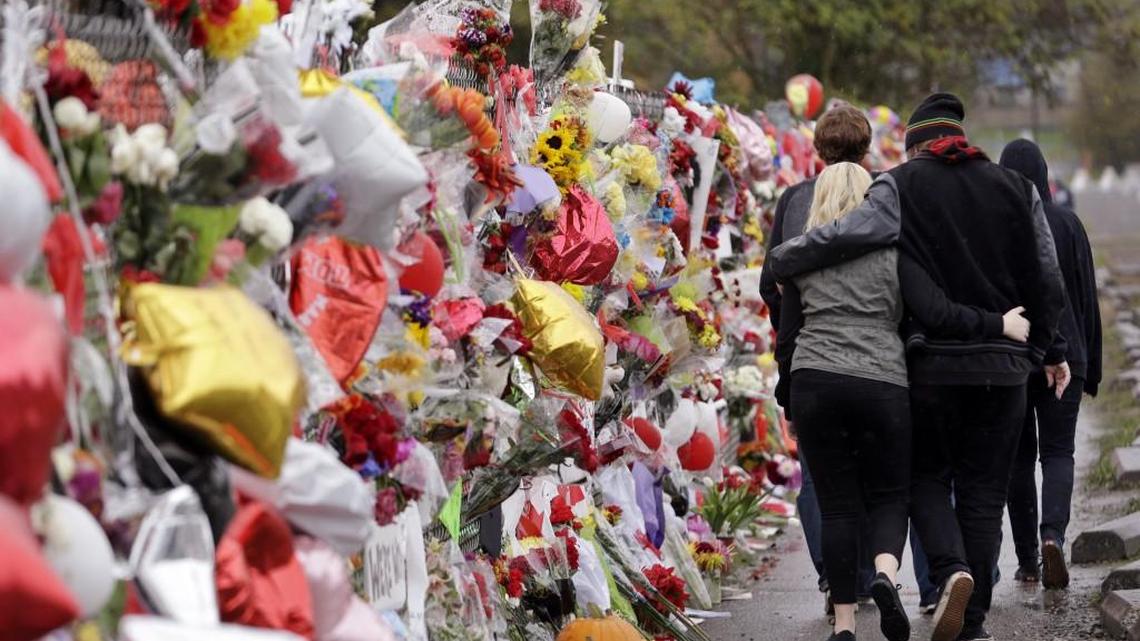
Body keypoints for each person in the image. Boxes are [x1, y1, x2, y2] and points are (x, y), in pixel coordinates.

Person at [766, 93, 1067, 641]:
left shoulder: (899, 186)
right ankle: (970, 622)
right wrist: (1039, 348)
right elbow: (1048, 278)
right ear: (962, 134)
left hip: (930, 366)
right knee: (983, 494)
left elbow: (852, 236)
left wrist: (787, 258)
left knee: (925, 479)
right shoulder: (1017, 188)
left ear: (913, 145)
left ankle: (946, 571)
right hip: (1002, 368)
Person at [760, 104, 878, 615]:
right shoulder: (882, 197)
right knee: (870, 471)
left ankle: (834, 576)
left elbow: (771, 284)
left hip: (808, 353)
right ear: (867, 149)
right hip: (874, 355)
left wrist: (788, 335)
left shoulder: (794, 200)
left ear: (816, 149)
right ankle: (868, 571)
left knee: (816, 476)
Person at [1000, 139, 1102, 590]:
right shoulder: (1067, 223)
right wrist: (1090, 366)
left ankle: (1025, 560)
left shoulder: (997, 227)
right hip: (1069, 354)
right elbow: (1085, 299)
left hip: (1017, 358)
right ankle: (1052, 537)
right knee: (1058, 452)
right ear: (1044, 176)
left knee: (1018, 458)